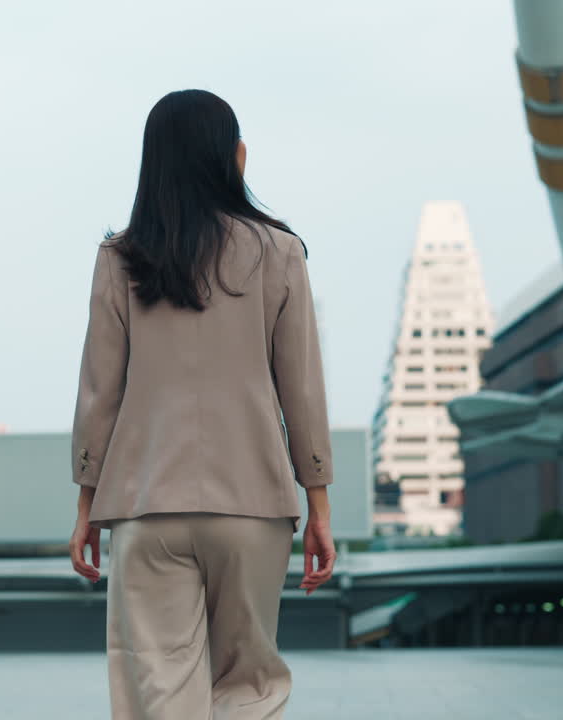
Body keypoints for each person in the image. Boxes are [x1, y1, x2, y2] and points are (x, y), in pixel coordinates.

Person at [68, 88, 335, 719]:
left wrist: (86, 505)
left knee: (160, 686)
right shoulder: (280, 252)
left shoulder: (121, 258)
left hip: (146, 501)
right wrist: (319, 504)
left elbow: (99, 391)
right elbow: (301, 390)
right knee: (251, 685)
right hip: (253, 502)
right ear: (236, 157)